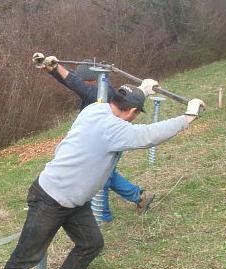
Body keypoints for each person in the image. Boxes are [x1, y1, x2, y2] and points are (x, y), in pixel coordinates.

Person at [0, 54, 205, 269]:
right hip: (51, 198)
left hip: (74, 201)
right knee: (26, 255)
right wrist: (188, 117)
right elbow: (149, 135)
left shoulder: (96, 108)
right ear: (133, 112)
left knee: (91, 243)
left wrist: (142, 91)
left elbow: (92, 91)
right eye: (137, 112)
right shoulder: (115, 129)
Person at [36, 54, 155, 221]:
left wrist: (57, 68)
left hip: (107, 140)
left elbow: (76, 83)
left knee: (103, 176)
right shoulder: (97, 90)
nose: (81, 85)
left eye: (85, 82)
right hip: (99, 140)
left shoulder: (101, 95)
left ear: (93, 80)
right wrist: (52, 69)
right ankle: (140, 197)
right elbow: (73, 82)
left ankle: (103, 216)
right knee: (108, 175)